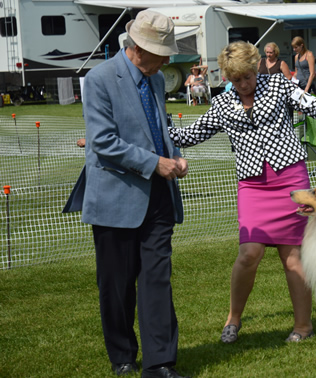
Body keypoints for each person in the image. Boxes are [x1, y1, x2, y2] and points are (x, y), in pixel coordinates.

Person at [168, 41, 316, 344]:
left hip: (289, 179)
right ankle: (233, 320)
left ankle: (303, 326)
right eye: (237, 79)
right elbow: (189, 135)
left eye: (248, 77)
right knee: (248, 253)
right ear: (227, 78)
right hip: (252, 185)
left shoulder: (279, 84)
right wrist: (152, 128)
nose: (244, 84)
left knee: (292, 257)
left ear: (256, 69)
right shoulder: (224, 104)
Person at [63, 10, 189, 378]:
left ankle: (160, 362)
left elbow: (157, 131)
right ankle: (122, 355)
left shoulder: (155, 81)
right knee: (116, 285)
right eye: (161, 53)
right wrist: (155, 163)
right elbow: (103, 143)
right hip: (114, 198)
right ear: (138, 48)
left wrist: (174, 158)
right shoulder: (99, 79)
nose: (167, 60)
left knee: (157, 280)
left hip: (158, 197)